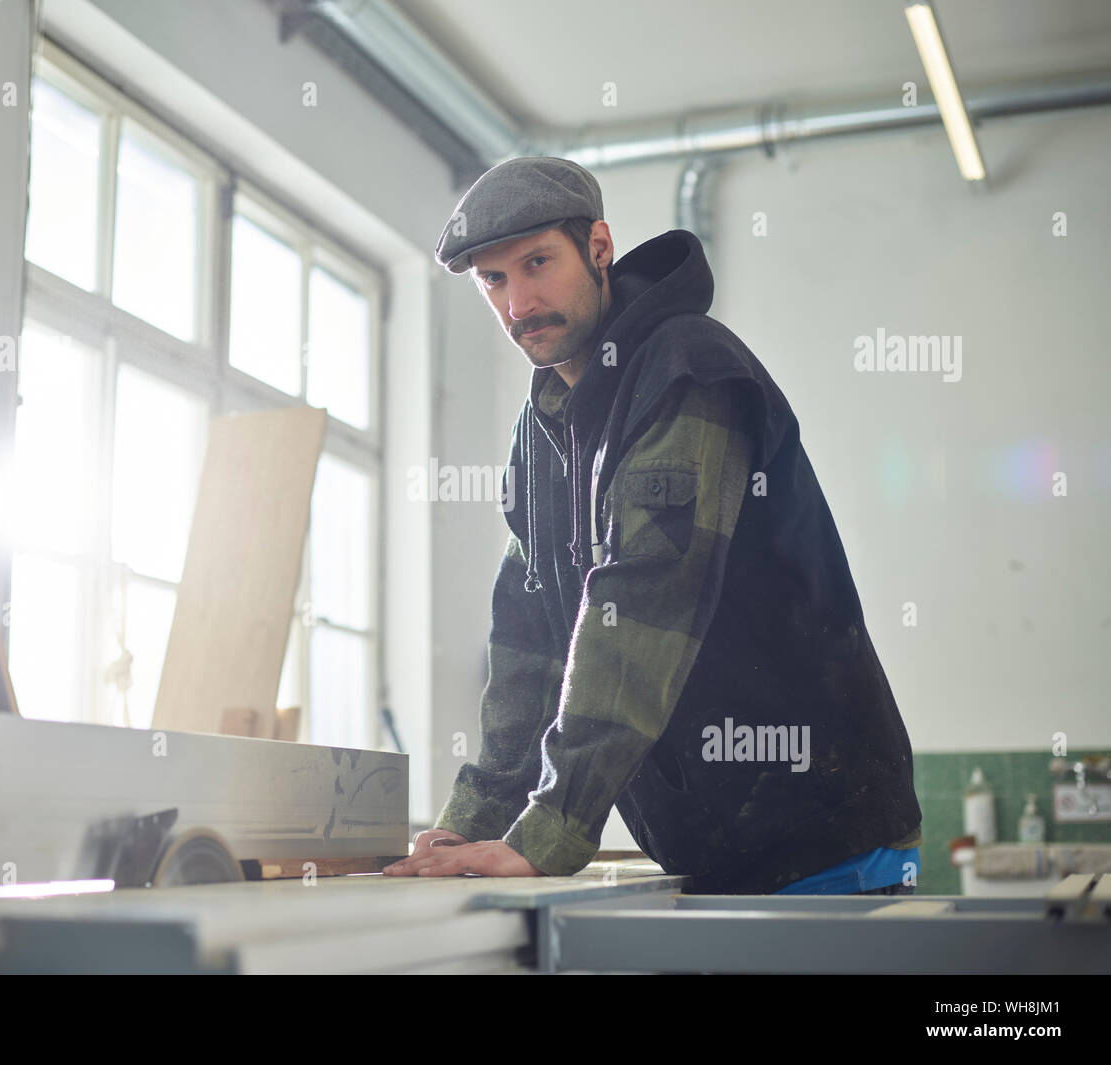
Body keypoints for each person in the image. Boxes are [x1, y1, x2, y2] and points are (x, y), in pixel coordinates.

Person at [383, 157, 921, 894]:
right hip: (711, 851)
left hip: (824, 834)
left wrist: (549, 831)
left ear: (599, 247)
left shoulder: (686, 372)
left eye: (538, 262)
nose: (518, 301)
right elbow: (528, 647)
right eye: (494, 280)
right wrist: (469, 827)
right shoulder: (541, 436)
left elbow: (640, 608)